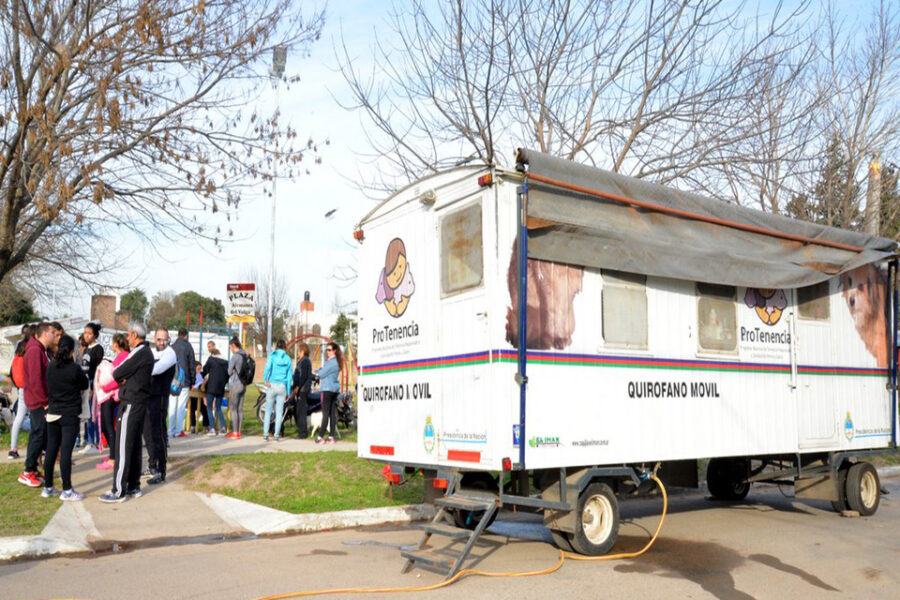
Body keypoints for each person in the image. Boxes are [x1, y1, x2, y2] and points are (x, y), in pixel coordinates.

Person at [100, 322, 154, 503]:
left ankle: (118, 490)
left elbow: (118, 372)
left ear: (134, 335)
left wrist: (124, 378)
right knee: (134, 446)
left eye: (129, 335)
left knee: (123, 446)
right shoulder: (145, 352)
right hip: (138, 402)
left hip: (131, 402)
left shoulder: (139, 352)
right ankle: (133, 485)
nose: (127, 338)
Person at [43, 334, 89, 500]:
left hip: (53, 412)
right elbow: (84, 384)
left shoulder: (51, 366)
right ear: (72, 350)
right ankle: (67, 490)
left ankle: (48, 487)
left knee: (51, 450)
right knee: (66, 453)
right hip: (69, 414)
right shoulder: (74, 368)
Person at [17, 322, 56, 487]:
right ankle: (27, 471)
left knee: (40, 435)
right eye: (53, 333)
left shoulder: (41, 350)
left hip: (39, 399)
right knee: (38, 435)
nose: (55, 336)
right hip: (37, 401)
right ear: (45, 333)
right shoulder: (34, 350)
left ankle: (32, 469)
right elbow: (35, 380)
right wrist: (44, 401)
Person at [144, 327, 175, 485]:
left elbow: (156, 369)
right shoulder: (151, 351)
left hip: (160, 398)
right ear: (154, 339)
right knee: (148, 433)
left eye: (165, 339)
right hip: (149, 397)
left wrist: (142, 369)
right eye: (159, 339)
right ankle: (152, 465)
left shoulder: (170, 353)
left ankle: (161, 470)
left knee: (159, 433)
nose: (162, 342)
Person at [94, 333, 129, 471]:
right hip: (111, 394)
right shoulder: (121, 356)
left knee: (108, 426)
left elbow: (118, 377)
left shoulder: (123, 356)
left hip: (110, 395)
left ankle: (114, 458)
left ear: (116, 344)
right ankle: (113, 456)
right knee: (107, 426)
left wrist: (105, 386)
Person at [7, 324, 33, 460]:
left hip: (21, 387)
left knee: (19, 417)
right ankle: (37, 449)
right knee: (36, 418)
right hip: (32, 387)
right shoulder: (32, 348)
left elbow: (12, 371)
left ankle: (13, 448)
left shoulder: (19, 348)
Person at [78, 323, 104, 454]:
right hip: (84, 383)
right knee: (86, 414)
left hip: (92, 383)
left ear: (94, 335)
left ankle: (95, 441)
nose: (86, 335)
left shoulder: (98, 349)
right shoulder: (86, 348)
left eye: (88, 333)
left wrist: (94, 386)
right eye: (84, 332)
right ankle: (89, 441)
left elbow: (97, 369)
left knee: (93, 414)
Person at [262, 339, 293, 442]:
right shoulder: (288, 359)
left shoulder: (272, 356)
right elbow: (289, 376)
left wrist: (265, 379)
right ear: (284, 347)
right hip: (282, 387)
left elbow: (267, 368)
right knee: (279, 412)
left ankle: (266, 434)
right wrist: (288, 391)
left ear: (276, 346)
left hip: (272, 385)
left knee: (268, 411)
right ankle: (276, 435)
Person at [168, 328, 195, 438]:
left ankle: (171, 430)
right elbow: (191, 365)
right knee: (181, 406)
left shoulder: (172, 347)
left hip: (172, 381)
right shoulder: (188, 347)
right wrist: (193, 381)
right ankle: (179, 430)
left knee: (172, 406)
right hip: (185, 380)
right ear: (186, 336)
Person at [315, 343, 343, 444]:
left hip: (327, 390)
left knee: (326, 413)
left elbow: (321, 374)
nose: (327, 352)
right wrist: (320, 370)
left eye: (329, 350)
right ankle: (331, 437)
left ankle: (320, 437)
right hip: (334, 390)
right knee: (332, 414)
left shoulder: (331, 362)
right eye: (326, 350)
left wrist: (317, 370)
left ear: (334, 351)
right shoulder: (337, 362)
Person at [202, 348, 229, 435]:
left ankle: (212, 428)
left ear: (212, 354)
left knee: (209, 407)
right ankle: (223, 427)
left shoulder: (211, 360)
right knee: (218, 408)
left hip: (211, 387)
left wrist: (200, 379)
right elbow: (228, 376)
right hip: (221, 387)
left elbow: (204, 370)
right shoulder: (226, 363)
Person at [226, 338, 248, 439]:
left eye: (230, 347)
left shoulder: (235, 356)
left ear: (233, 345)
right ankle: (239, 431)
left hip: (235, 384)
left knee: (233, 408)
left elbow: (229, 371)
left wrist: (234, 370)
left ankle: (235, 432)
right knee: (240, 409)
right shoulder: (245, 354)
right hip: (244, 384)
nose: (230, 349)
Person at [291, 343, 312, 439]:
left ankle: (303, 433)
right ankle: (301, 430)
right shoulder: (304, 361)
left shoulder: (304, 361)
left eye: (298, 352)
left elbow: (302, 376)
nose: (297, 354)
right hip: (301, 389)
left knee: (301, 411)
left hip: (302, 390)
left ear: (302, 352)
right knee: (298, 410)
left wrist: (298, 387)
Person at [189, 363, 208, 434]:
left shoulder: (200, 375)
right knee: (192, 409)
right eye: (198, 368)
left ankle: (206, 425)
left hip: (199, 394)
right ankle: (192, 426)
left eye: (200, 368)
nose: (199, 370)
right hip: (193, 395)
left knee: (204, 410)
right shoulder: (192, 374)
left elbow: (201, 382)